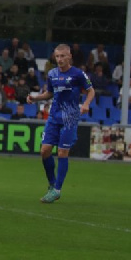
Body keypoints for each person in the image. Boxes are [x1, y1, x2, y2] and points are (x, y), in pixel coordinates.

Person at [27, 44, 94, 204]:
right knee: (44, 151)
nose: (60, 59)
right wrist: (35, 98)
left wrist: (86, 104)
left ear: (69, 56)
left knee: (62, 152)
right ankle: (52, 184)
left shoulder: (78, 74)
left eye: (63, 56)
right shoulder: (52, 74)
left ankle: (57, 190)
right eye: (57, 56)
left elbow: (91, 90)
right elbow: (49, 93)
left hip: (69, 118)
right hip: (54, 117)